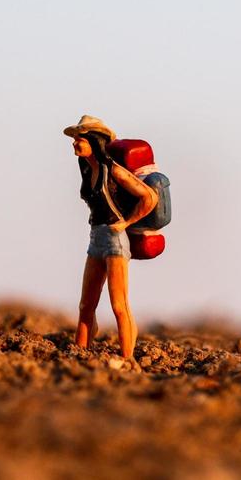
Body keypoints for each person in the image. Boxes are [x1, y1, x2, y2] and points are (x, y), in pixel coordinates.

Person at [64, 115, 159, 364]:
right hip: (96, 237)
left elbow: (149, 197)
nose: (74, 143)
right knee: (86, 305)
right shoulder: (87, 168)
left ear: (94, 141)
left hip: (115, 239)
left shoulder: (113, 171)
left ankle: (128, 358)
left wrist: (125, 223)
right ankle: (79, 351)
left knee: (119, 305)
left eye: (79, 139)